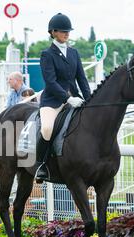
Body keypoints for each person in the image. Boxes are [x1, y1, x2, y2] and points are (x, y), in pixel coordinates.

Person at [35, 13, 91, 182]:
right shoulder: (47, 54)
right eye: (62, 31)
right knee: (46, 129)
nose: (66, 34)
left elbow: (81, 78)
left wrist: (89, 99)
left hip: (75, 98)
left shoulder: (74, 53)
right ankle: (41, 165)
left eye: (68, 31)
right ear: (53, 32)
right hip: (52, 101)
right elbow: (50, 82)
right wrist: (67, 99)